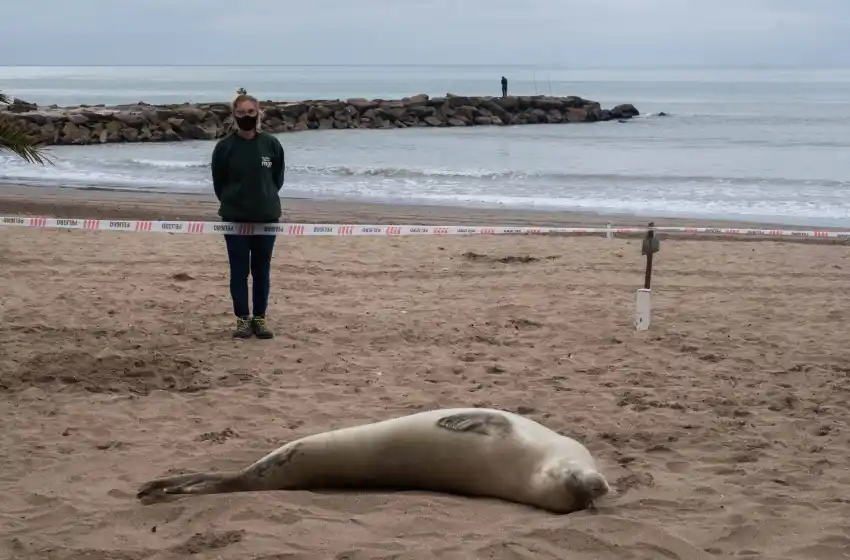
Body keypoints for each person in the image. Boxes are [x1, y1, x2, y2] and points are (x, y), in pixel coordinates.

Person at [210, 89, 286, 339]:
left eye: (251, 112)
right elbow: (219, 183)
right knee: (239, 271)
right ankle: (242, 319)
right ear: (233, 116)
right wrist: (235, 203)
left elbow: (277, 179)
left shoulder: (271, 144)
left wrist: (263, 199)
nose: (246, 116)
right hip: (235, 220)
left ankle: (260, 319)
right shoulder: (224, 148)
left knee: (262, 270)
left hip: (266, 218)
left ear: (258, 114)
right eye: (241, 113)